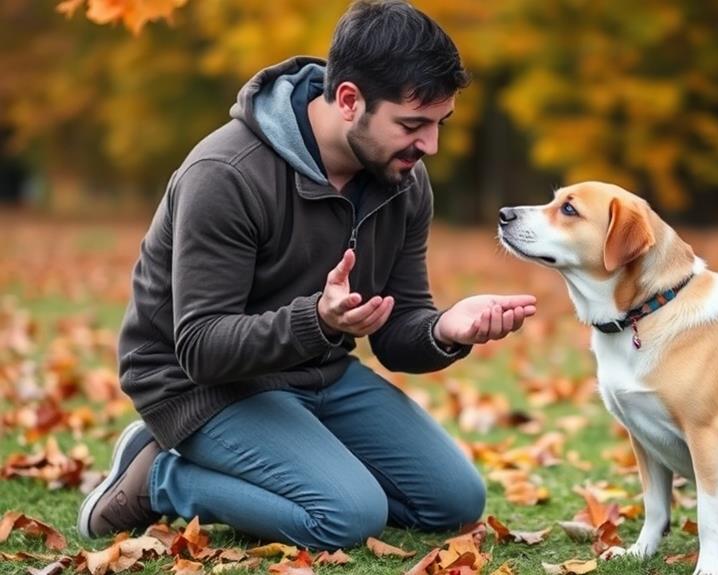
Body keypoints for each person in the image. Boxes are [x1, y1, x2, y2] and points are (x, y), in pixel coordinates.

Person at [77, 0, 536, 550]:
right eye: (413, 124)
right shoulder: (225, 174)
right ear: (349, 101)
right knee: (347, 516)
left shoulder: (403, 180)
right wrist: (316, 320)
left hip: (316, 374)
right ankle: (160, 479)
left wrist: (443, 330)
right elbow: (199, 347)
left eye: (440, 124)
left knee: (454, 501)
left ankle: (300, 462)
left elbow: (396, 333)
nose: (429, 145)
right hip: (196, 383)